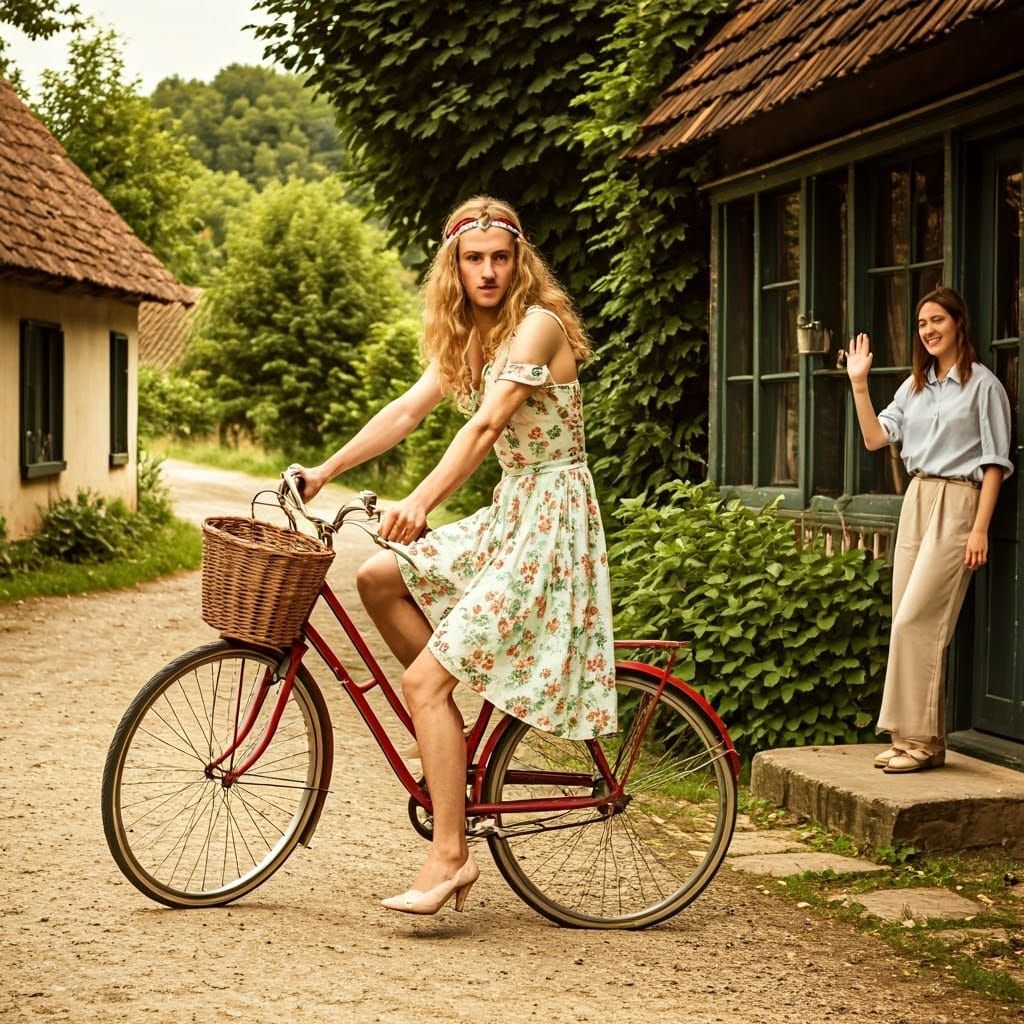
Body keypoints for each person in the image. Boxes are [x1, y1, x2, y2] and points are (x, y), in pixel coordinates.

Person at [288, 196, 616, 913]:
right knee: (378, 577)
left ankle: (450, 855)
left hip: (551, 523)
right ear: (455, 267)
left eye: (500, 257)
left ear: (519, 261)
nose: (488, 271)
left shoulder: (537, 326)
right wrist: (324, 471)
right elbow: (407, 411)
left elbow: (487, 426)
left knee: (424, 683)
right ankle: (448, 733)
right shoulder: (473, 338)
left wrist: (420, 501)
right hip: (513, 510)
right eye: (474, 259)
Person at [846, 285, 1012, 774]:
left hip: (960, 501)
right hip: (916, 500)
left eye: (937, 319)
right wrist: (859, 383)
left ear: (959, 323)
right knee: (905, 617)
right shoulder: (912, 387)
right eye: (922, 323)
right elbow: (875, 438)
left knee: (917, 622)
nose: (929, 330)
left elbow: (995, 463)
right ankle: (917, 740)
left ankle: (917, 740)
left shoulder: (984, 387)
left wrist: (979, 529)